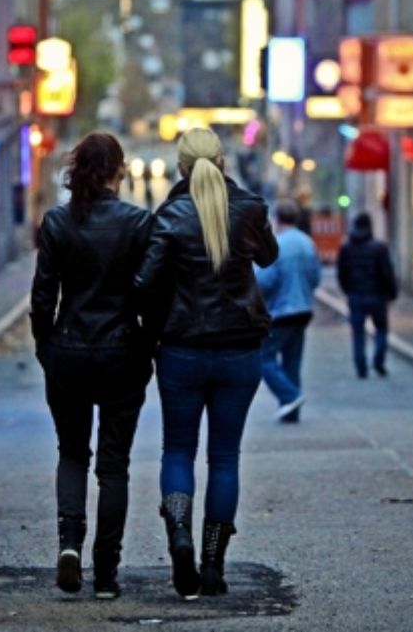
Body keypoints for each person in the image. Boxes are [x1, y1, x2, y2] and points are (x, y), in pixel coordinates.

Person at [134, 127, 278, 600]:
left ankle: (180, 533)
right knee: (224, 458)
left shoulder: (170, 216)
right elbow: (269, 256)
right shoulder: (250, 208)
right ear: (222, 163)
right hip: (240, 350)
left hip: (182, 350)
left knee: (178, 451)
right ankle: (213, 564)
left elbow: (144, 283)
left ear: (181, 167)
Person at [31, 133, 153, 599]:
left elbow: (44, 298)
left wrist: (46, 347)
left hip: (70, 352)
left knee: (71, 453)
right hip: (122, 351)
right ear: (117, 171)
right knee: (114, 467)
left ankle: (68, 547)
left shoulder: (58, 223)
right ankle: (106, 572)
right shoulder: (138, 223)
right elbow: (148, 293)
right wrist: (147, 344)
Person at [255, 199, 322, 424]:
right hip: (304, 308)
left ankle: (290, 395)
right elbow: (315, 277)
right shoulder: (307, 243)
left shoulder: (278, 245)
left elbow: (264, 280)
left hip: (281, 309)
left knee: (263, 358)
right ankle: (291, 410)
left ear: (276, 219)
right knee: (292, 360)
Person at [336, 212, 397, 378]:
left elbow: (341, 273)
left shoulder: (346, 248)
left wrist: (348, 290)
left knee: (357, 333)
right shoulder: (379, 247)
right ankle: (378, 362)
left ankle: (361, 366)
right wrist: (391, 293)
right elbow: (387, 273)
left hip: (356, 295)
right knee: (381, 329)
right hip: (377, 295)